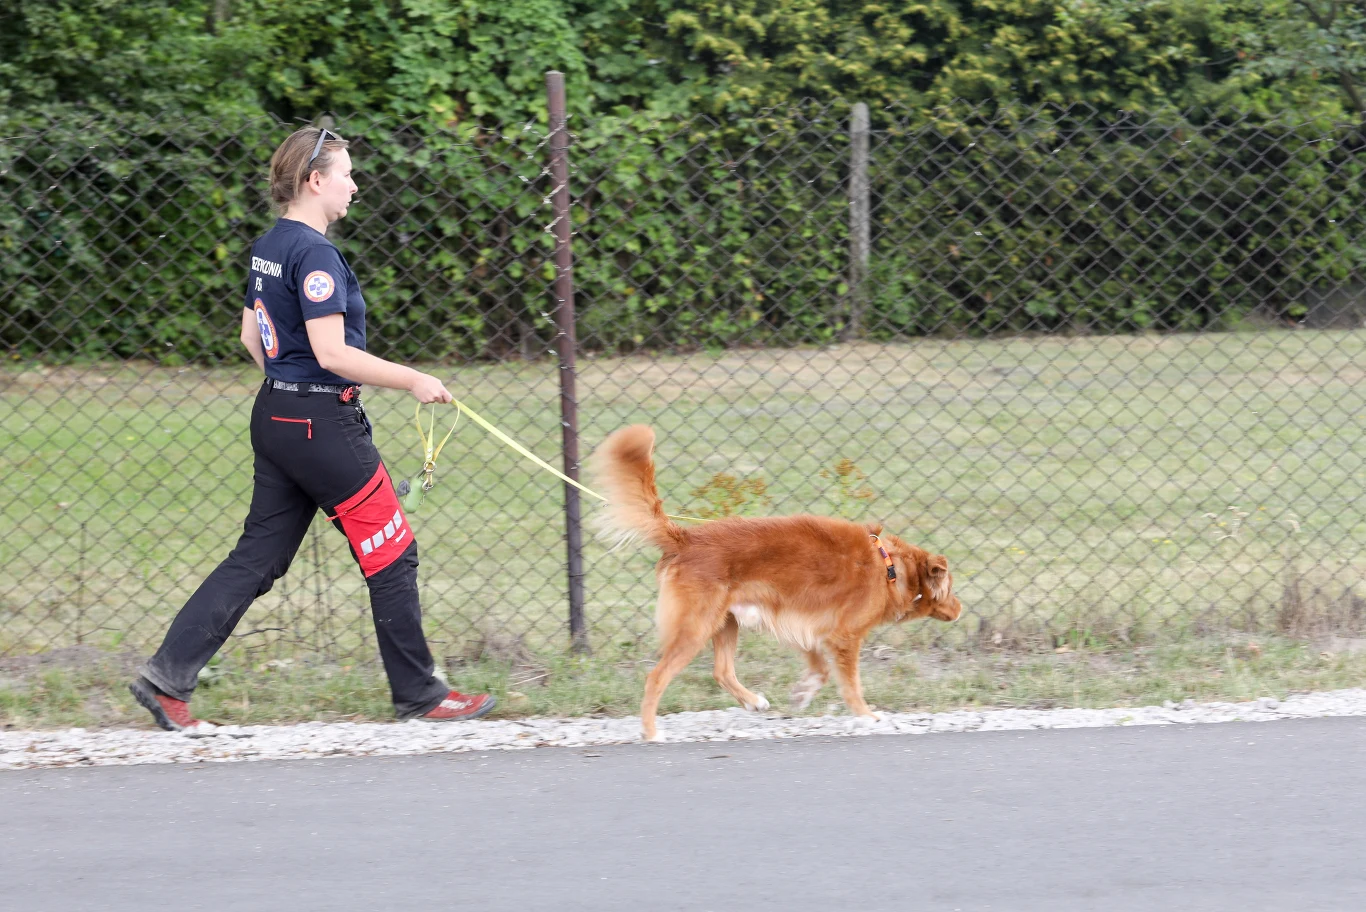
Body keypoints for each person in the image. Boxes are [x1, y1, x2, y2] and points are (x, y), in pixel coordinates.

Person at [130, 126, 494, 731]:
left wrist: (288, 390)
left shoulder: (269, 246)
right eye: (346, 174)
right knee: (392, 553)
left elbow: (253, 338)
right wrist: (412, 379)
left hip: (276, 414)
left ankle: (166, 679)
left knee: (257, 557)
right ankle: (421, 696)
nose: (355, 184)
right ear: (315, 179)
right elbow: (332, 353)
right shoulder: (316, 254)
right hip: (319, 425)